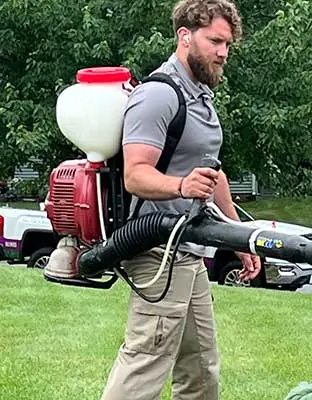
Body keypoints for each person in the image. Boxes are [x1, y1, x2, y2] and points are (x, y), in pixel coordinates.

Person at [99, 1, 259, 399]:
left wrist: (237, 236)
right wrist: (181, 186)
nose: (223, 52)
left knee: (202, 368)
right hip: (156, 250)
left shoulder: (200, 95)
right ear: (184, 37)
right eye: (216, 42)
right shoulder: (158, 95)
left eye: (228, 44)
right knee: (146, 361)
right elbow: (136, 174)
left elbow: (212, 173)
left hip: (189, 250)